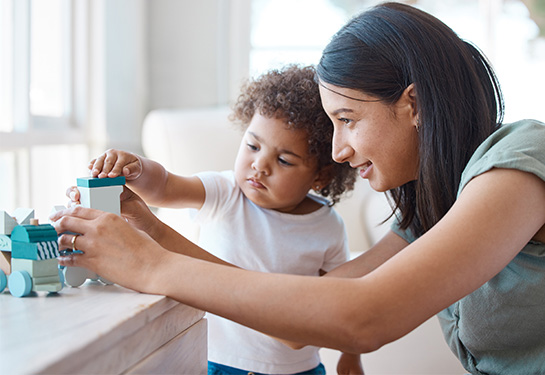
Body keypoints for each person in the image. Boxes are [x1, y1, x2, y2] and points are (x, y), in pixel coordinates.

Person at [51, 2, 545, 374]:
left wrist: (152, 265)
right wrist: (153, 233)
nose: (338, 152)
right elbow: (299, 321)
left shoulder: (521, 160)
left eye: (347, 120)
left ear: (412, 104)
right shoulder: (429, 216)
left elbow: (364, 318)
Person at [67, 66, 362, 374]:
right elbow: (164, 186)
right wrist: (137, 169)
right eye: (252, 146)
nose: (259, 165)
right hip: (220, 362)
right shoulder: (225, 192)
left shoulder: (328, 226)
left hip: (298, 369)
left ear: (321, 175)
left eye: (284, 160)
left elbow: (339, 300)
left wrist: (351, 354)